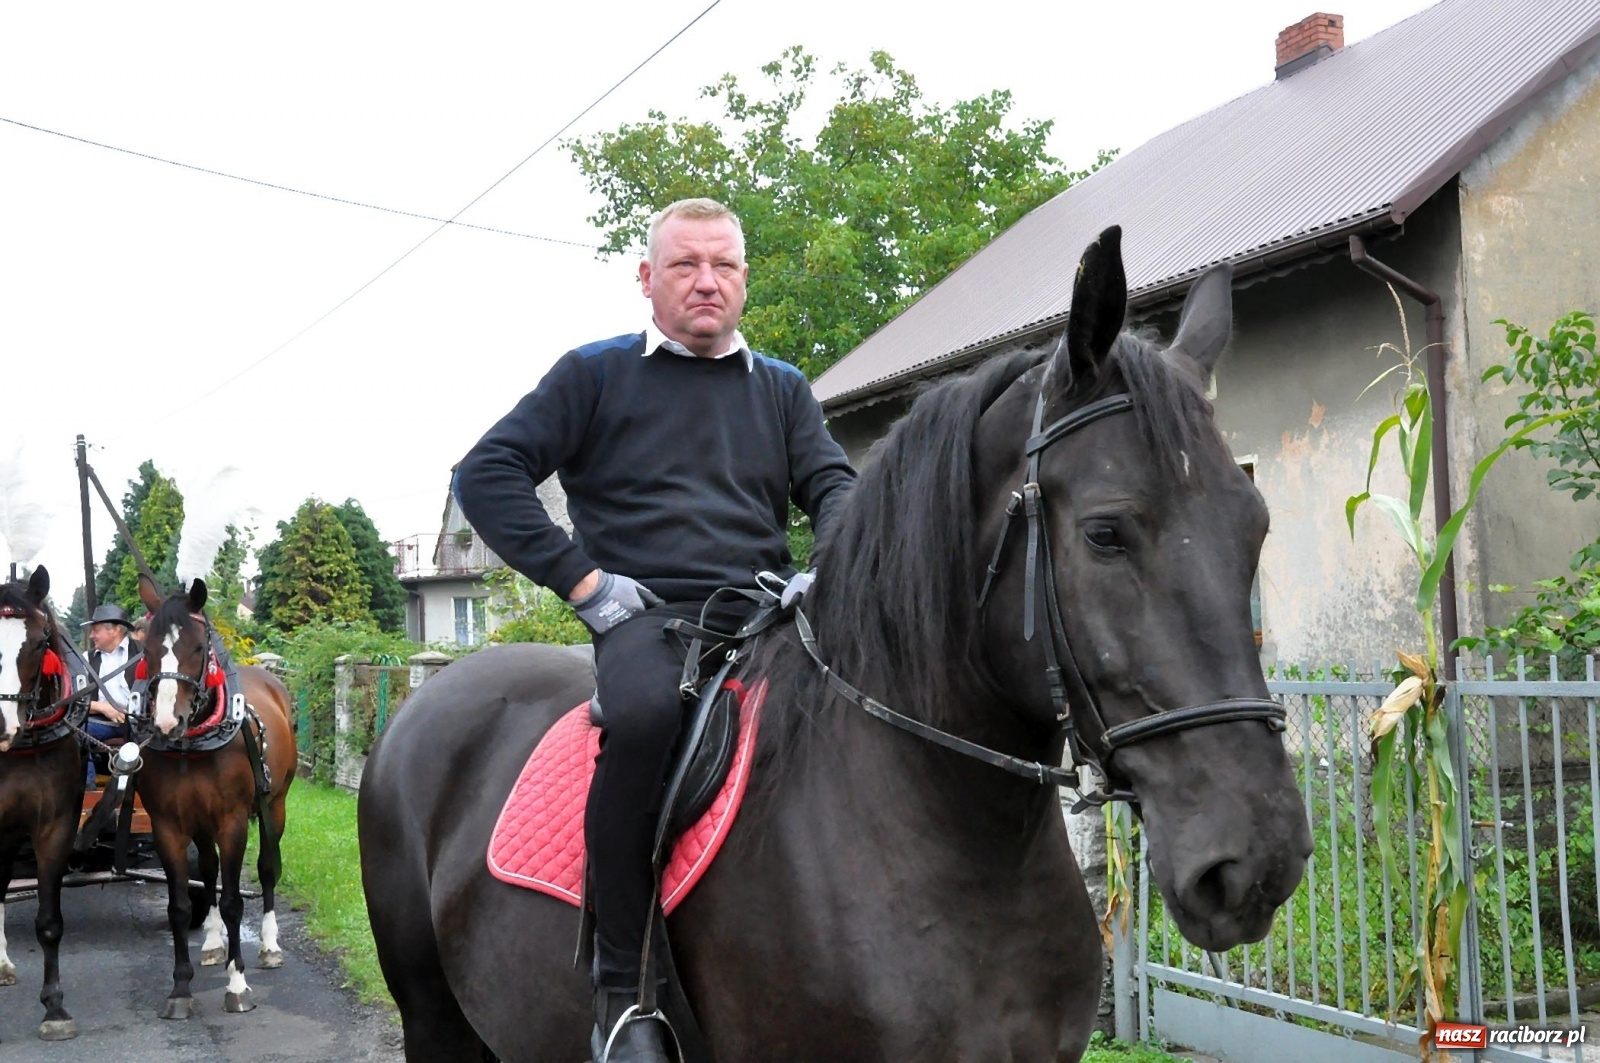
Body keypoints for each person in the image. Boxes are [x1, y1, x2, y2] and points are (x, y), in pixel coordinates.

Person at [455, 197, 855, 1062]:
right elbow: (486, 473)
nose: (706, 281)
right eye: (685, 265)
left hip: (767, 612)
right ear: (647, 278)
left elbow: (835, 486)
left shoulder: (782, 389)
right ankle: (621, 992)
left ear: (745, 279)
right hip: (648, 620)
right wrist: (584, 584)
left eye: (724, 266)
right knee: (641, 720)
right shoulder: (593, 376)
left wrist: (830, 562)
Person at [81, 603, 141, 789]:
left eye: (95, 630)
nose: (91, 636)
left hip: (140, 722)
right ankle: (87, 791)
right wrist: (102, 708)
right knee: (74, 732)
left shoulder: (145, 654)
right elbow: (74, 699)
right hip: (101, 723)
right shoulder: (86, 658)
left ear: (114, 629)